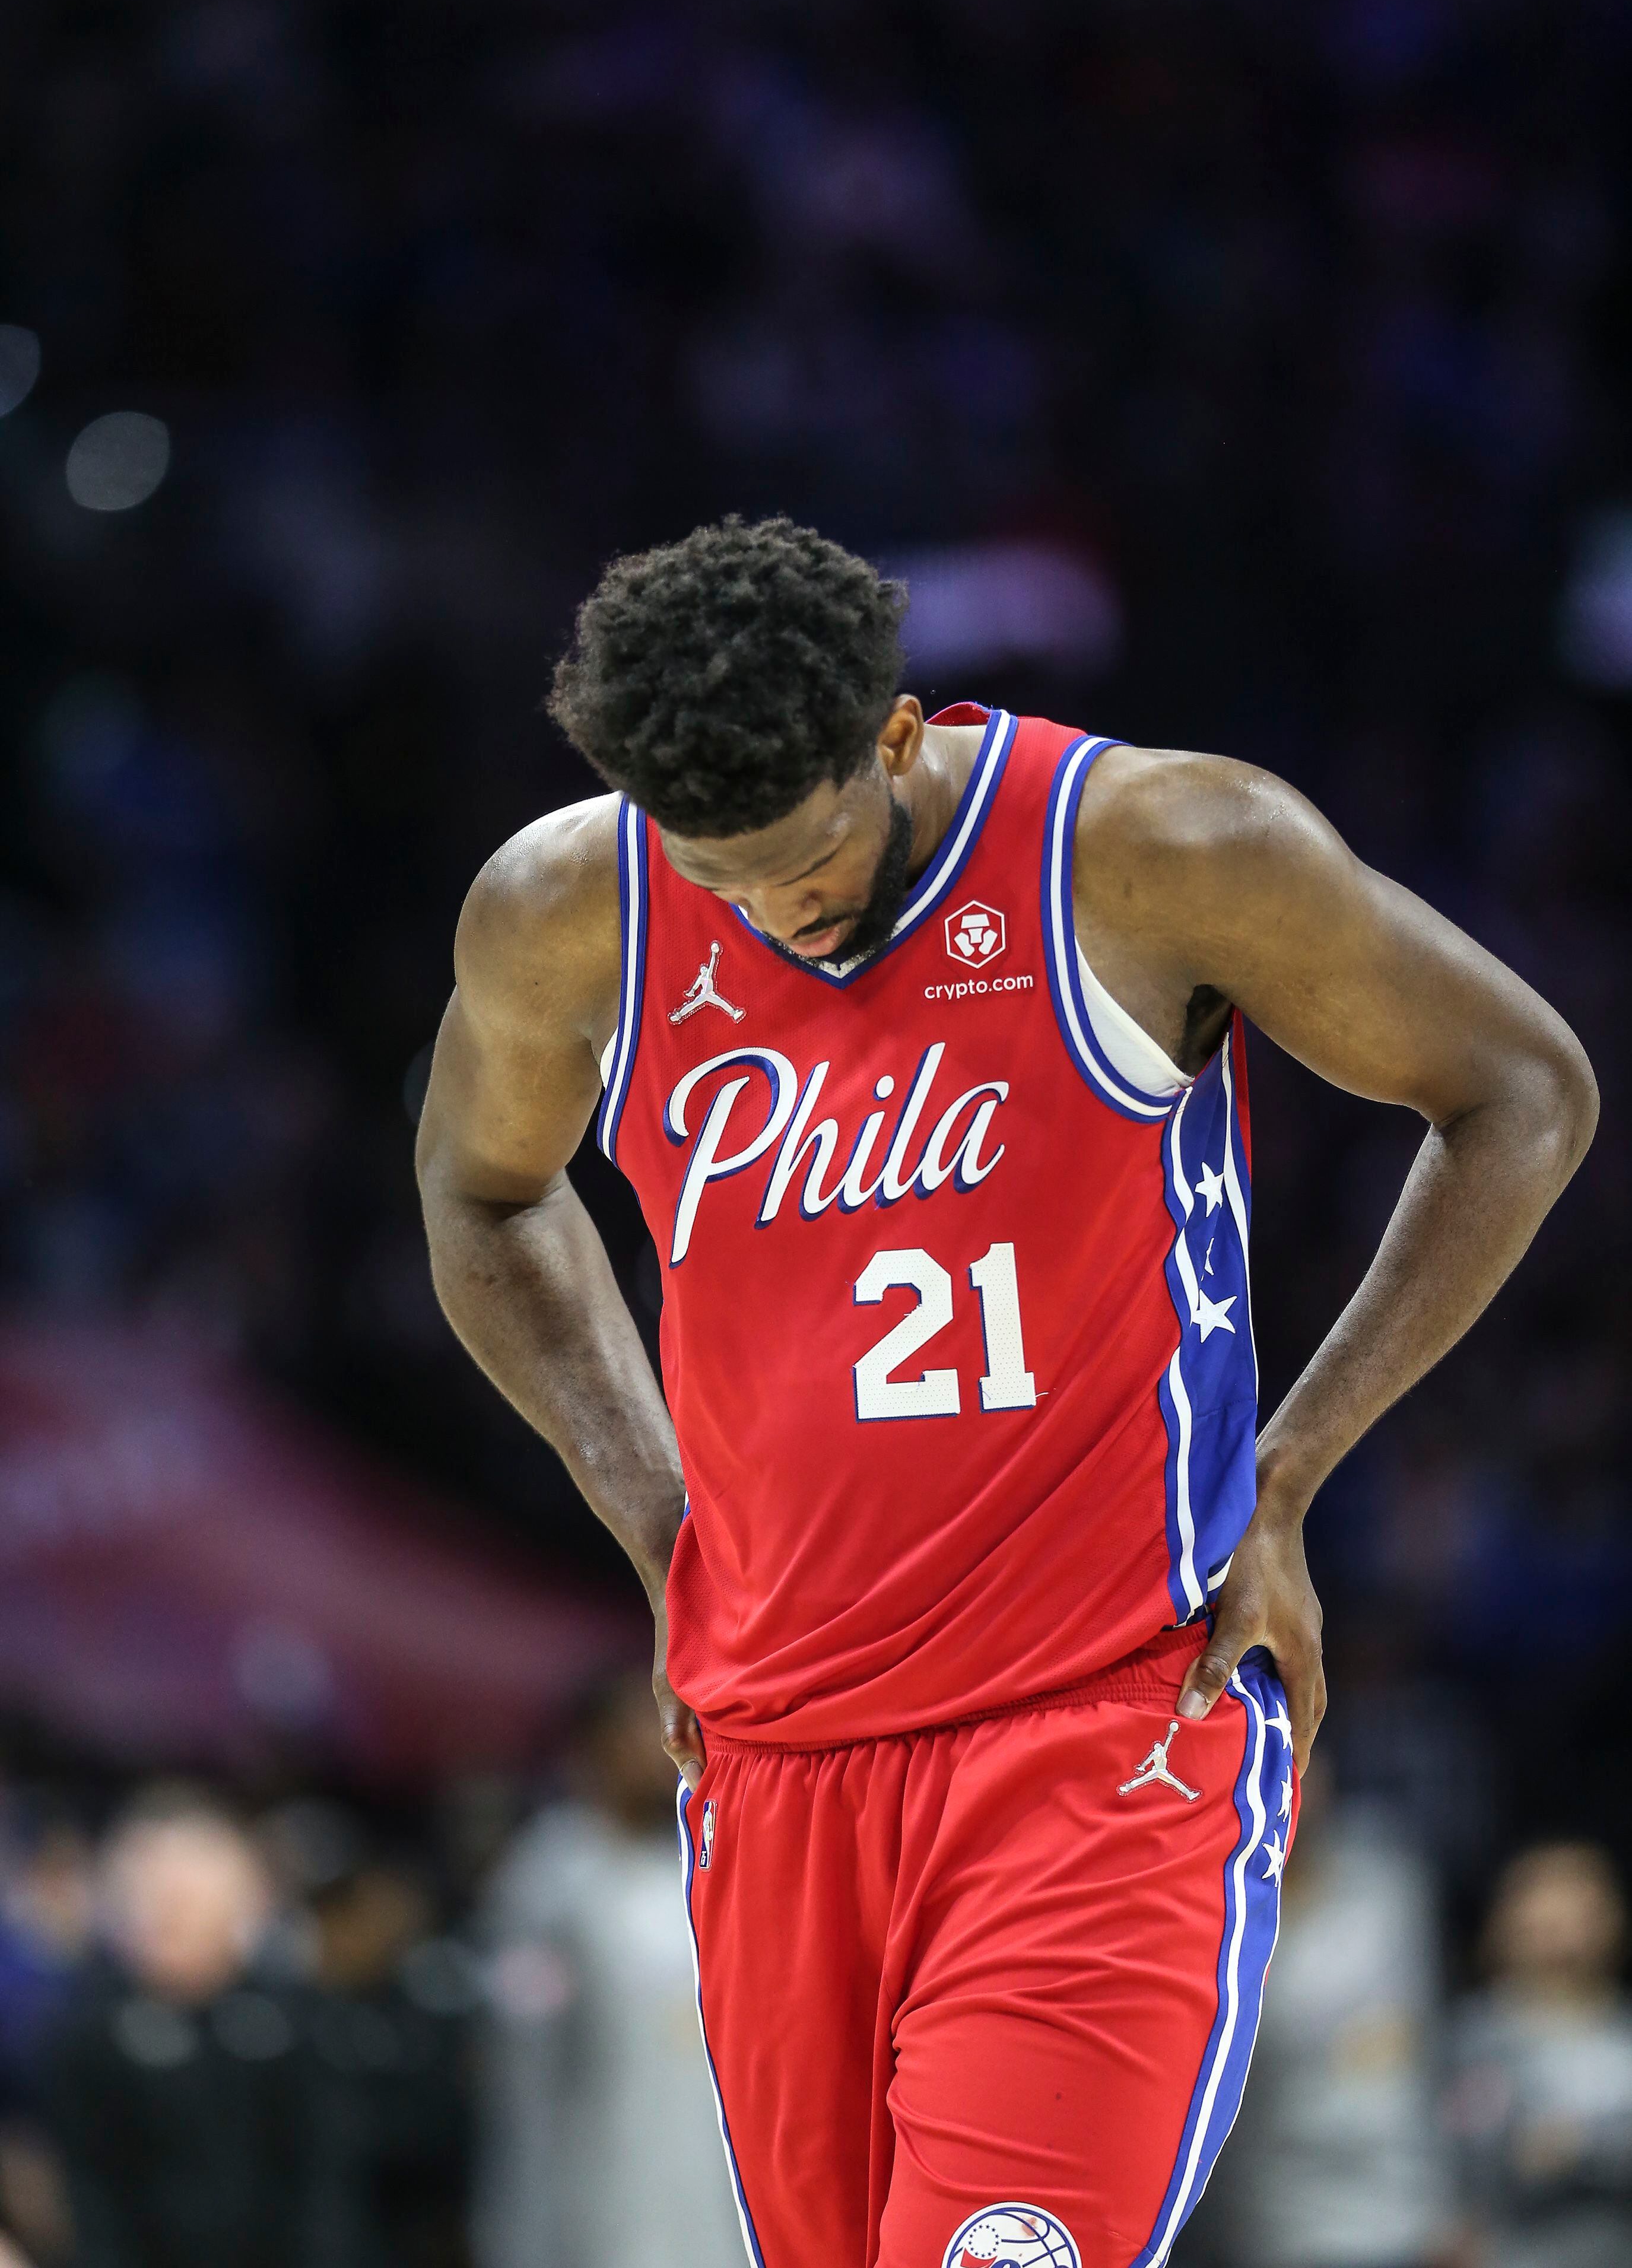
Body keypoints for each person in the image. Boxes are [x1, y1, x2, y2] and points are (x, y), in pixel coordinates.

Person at [415, 516, 1595, 2268]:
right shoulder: (564, 905)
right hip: (776, 1753)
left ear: (893, 734)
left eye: (804, 860)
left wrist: (1287, 1473)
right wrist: (655, 1520)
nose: (773, 914)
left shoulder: (1157, 844)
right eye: (721, 876)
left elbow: (1518, 1090)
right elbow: (482, 1194)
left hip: (1103, 1726)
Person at [471, 1668, 742, 2268]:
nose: (667, 1743)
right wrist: (524, 2238)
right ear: (590, 1749)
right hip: (597, 2211)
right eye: (640, 1727)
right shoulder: (547, 1883)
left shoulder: (709, 1862)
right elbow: (524, 2083)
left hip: (713, 2207)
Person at [42, 1786, 353, 2268]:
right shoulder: (89, 2033)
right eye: (151, 1895)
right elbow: (90, 2194)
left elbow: (324, 2182)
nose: (168, 1913)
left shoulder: (291, 2020)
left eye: (188, 1896)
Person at [1195, 1756, 1456, 2268]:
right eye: (1267, 1766)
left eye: (1301, 1766)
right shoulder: (1216, 1906)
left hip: (1408, 2200)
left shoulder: (1387, 1878)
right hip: (1275, 2211)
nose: (1293, 1786)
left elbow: (1415, 2037)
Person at [1446, 1843, 1632, 2268]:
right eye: (1542, 1926)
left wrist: (1580, 2146)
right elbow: (1478, 2159)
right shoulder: (1476, 2038)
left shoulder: (1623, 2037)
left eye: (1574, 1923)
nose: (1559, 1944)